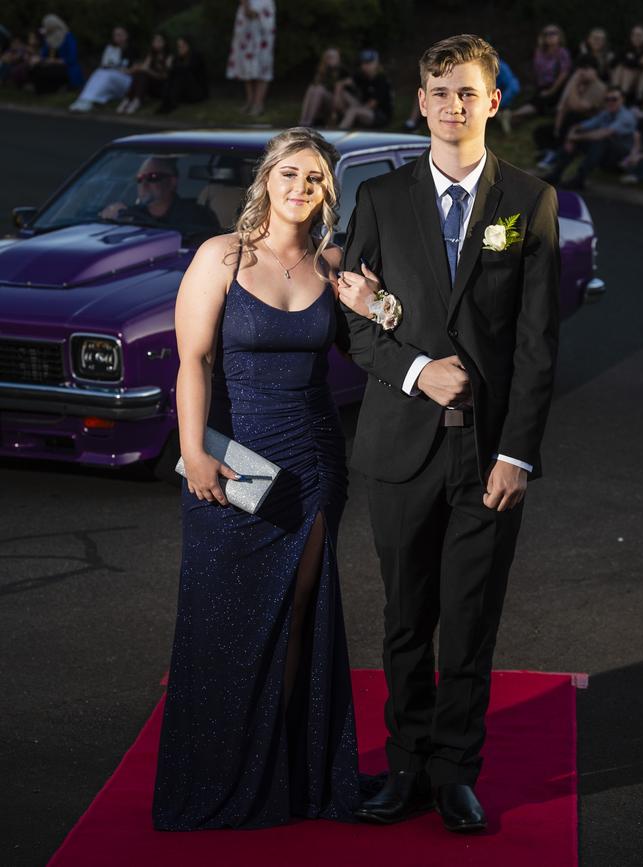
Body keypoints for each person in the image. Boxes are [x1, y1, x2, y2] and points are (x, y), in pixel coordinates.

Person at [336, 33, 560, 834]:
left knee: (470, 618)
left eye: (467, 92)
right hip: (400, 446)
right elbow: (351, 325)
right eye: (438, 92)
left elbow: (537, 343)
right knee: (406, 617)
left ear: (492, 101)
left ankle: (457, 770)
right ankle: (405, 766)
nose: (452, 106)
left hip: (488, 454)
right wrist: (414, 371)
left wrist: (518, 452)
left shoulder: (530, 201)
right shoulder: (381, 202)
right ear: (420, 102)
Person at [151, 128, 372, 830]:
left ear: (327, 191)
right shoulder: (223, 254)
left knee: (296, 618)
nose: (301, 188)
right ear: (267, 179)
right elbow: (193, 360)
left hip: (311, 465)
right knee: (221, 622)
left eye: (315, 178)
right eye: (290, 174)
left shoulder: (332, 264)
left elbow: (381, 339)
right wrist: (194, 450)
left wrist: (377, 308)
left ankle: (290, 776)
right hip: (232, 460)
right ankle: (217, 772)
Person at [545, 85, 637, 189]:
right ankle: (555, 174)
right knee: (582, 136)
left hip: (621, 157)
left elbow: (603, 133)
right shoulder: (606, 113)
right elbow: (581, 125)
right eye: (607, 99)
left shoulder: (626, 117)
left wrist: (576, 137)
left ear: (622, 100)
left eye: (614, 99)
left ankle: (580, 179)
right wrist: (570, 138)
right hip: (604, 151)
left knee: (600, 140)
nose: (610, 102)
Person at [99, 156, 218, 230]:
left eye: (152, 177)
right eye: (139, 179)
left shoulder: (196, 217)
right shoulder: (131, 215)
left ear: (172, 181)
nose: (144, 184)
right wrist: (111, 219)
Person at [535, 54, 607, 169]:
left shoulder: (599, 88)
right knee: (540, 131)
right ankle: (550, 150)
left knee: (573, 117)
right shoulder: (580, 85)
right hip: (569, 122)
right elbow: (563, 105)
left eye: (586, 69)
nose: (582, 73)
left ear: (594, 70)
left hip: (587, 124)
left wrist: (573, 82)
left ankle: (555, 153)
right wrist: (557, 129)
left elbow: (577, 107)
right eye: (581, 69)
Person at [510, 24, 571, 123]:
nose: (550, 36)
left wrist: (552, 90)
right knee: (537, 100)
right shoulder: (540, 52)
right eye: (546, 34)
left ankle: (512, 115)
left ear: (560, 36)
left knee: (540, 102)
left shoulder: (562, 53)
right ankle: (514, 116)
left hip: (558, 86)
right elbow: (538, 71)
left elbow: (564, 74)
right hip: (542, 86)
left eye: (553, 33)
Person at [226, 0, 275, 117]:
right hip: (246, 15)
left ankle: (258, 103)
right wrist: (245, 5)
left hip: (264, 11)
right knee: (246, 61)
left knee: (263, 62)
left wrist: (255, 13)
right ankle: (250, 101)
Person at [69, 25, 132, 112]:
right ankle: (84, 100)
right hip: (112, 78)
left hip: (126, 80)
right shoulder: (111, 48)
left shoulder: (132, 50)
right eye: (115, 35)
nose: (118, 37)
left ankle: (88, 100)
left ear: (126, 35)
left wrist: (123, 70)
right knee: (100, 72)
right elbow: (105, 64)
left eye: (120, 34)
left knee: (108, 74)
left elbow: (136, 67)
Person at [334, 49, 393, 130]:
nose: (365, 66)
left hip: (379, 115)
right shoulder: (362, 76)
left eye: (368, 63)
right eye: (363, 63)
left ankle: (340, 131)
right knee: (344, 94)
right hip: (364, 108)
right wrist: (337, 99)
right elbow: (340, 83)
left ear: (376, 63)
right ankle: (339, 119)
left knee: (352, 111)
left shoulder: (382, 79)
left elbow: (372, 104)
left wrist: (354, 109)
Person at [116, 32, 171, 114]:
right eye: (155, 41)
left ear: (165, 42)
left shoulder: (169, 56)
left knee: (143, 74)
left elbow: (165, 76)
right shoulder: (151, 55)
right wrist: (131, 70)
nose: (156, 43)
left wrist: (147, 70)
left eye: (159, 41)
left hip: (161, 85)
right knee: (140, 74)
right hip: (149, 84)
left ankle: (136, 100)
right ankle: (129, 99)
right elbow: (144, 67)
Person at [29, 14, 83, 94]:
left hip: (65, 67)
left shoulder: (68, 37)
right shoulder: (49, 38)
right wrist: (39, 59)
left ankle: (55, 89)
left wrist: (54, 61)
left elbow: (72, 58)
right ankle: (42, 91)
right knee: (36, 68)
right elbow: (43, 54)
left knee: (49, 71)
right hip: (50, 65)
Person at [155, 35, 208, 114]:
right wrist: (166, 65)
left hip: (196, 92)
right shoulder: (178, 58)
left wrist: (172, 66)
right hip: (183, 93)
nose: (180, 49)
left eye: (182, 46)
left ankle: (171, 103)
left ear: (188, 46)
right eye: (178, 47)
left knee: (181, 74)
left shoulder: (196, 56)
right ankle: (166, 102)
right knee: (174, 74)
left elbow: (189, 69)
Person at [298, 47, 348, 126]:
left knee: (319, 89)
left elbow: (340, 93)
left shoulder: (343, 71)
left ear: (338, 58)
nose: (331, 59)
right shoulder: (323, 70)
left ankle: (309, 121)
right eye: (329, 57)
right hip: (325, 101)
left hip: (338, 103)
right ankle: (303, 119)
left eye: (333, 57)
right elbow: (315, 84)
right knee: (311, 88)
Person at [611, 24, 643, 106]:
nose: (637, 37)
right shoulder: (626, 48)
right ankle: (618, 94)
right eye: (634, 35)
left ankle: (637, 99)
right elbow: (615, 62)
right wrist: (639, 62)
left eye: (639, 35)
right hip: (625, 80)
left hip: (642, 82)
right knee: (622, 68)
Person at [620, 91, 643, 182]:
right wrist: (634, 153)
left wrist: (640, 156)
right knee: (629, 157)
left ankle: (638, 176)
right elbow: (637, 142)